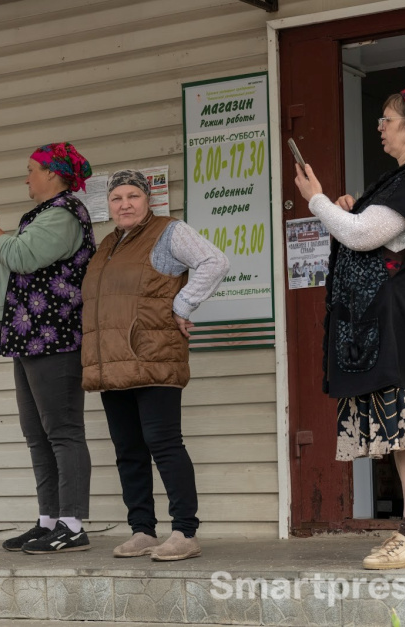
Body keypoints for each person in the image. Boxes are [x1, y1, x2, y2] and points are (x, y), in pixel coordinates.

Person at [293, 80, 405, 570]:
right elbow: (370, 231)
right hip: (391, 321)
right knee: (402, 426)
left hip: (401, 322)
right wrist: (348, 210)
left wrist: (317, 201)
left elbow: (362, 236)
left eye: (387, 119)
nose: (380, 127)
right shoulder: (401, 180)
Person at [81, 169, 229, 562]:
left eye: (133, 196)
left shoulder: (168, 232)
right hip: (113, 364)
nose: (125, 204)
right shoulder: (108, 245)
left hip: (153, 355)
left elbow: (214, 262)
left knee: (163, 443)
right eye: (117, 198)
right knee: (128, 451)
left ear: (148, 200)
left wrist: (182, 305)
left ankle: (184, 531)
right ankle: (143, 530)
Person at [0, 142, 95, 554]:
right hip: (31, 337)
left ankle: (72, 524)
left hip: (55, 336)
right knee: (37, 434)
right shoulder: (41, 215)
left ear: (52, 173)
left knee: (63, 431)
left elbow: (21, 256)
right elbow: (11, 264)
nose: (26, 178)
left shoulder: (64, 214)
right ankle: (49, 520)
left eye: (31, 170)